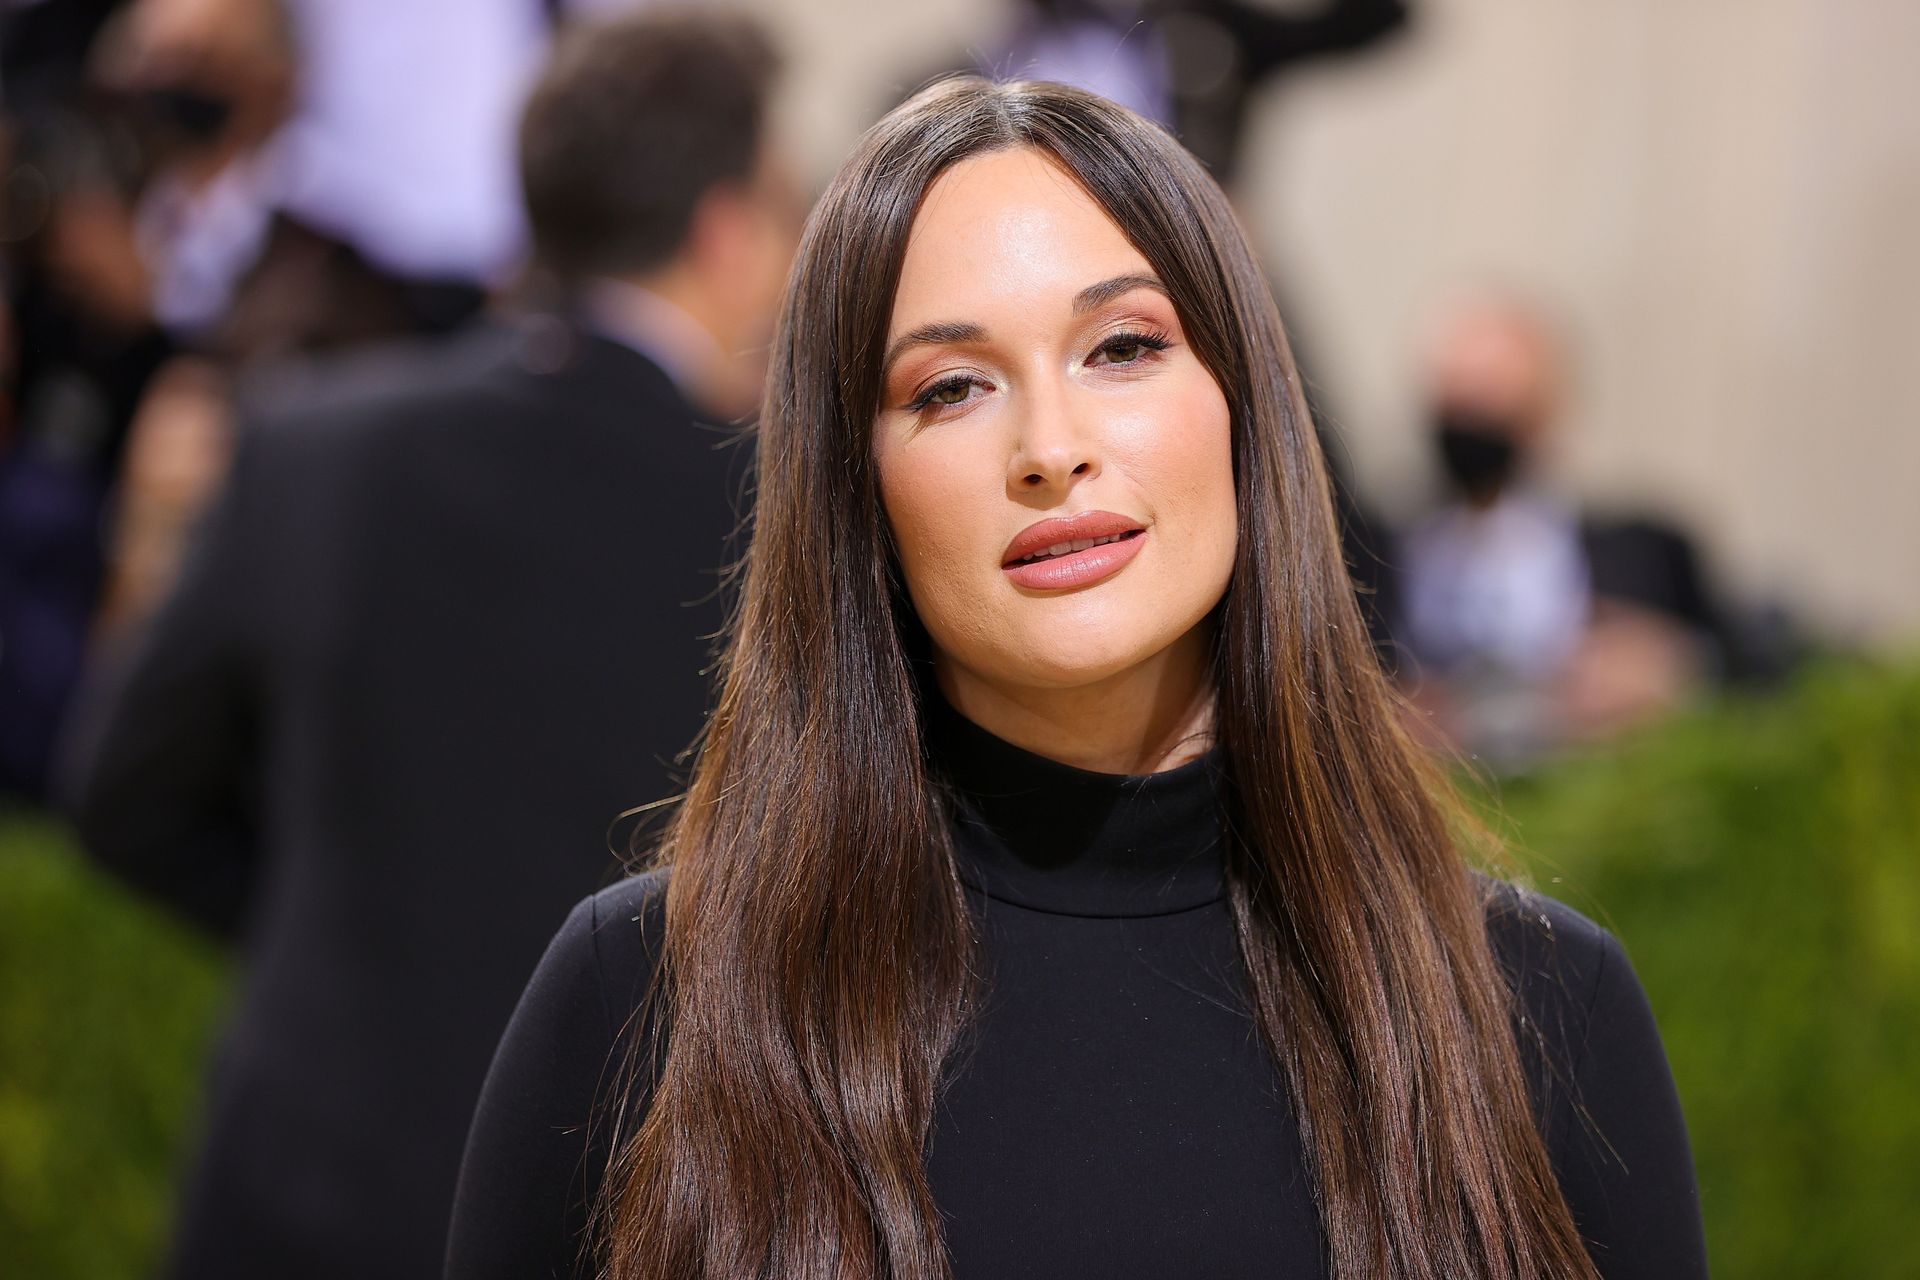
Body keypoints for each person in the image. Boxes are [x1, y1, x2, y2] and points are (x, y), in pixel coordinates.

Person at [446, 79, 1706, 1279]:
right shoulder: (647, 997)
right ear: (854, 493)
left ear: (1246, 405)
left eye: (1121, 346)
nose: (1051, 448)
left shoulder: (1538, 1002)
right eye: (949, 386)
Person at [55, 11, 794, 1278]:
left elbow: (124, 793)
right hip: (601, 1212)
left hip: (294, 1190)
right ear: (726, 231)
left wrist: (316, 932)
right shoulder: (775, 526)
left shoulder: (310, 448)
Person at [1395, 291, 1748, 766]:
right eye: (1457, 405)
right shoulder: (1380, 557)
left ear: (1545, 412)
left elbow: (1753, 667)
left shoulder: (1646, 553)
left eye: (1494, 404)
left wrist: (1676, 669)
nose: (1471, 430)